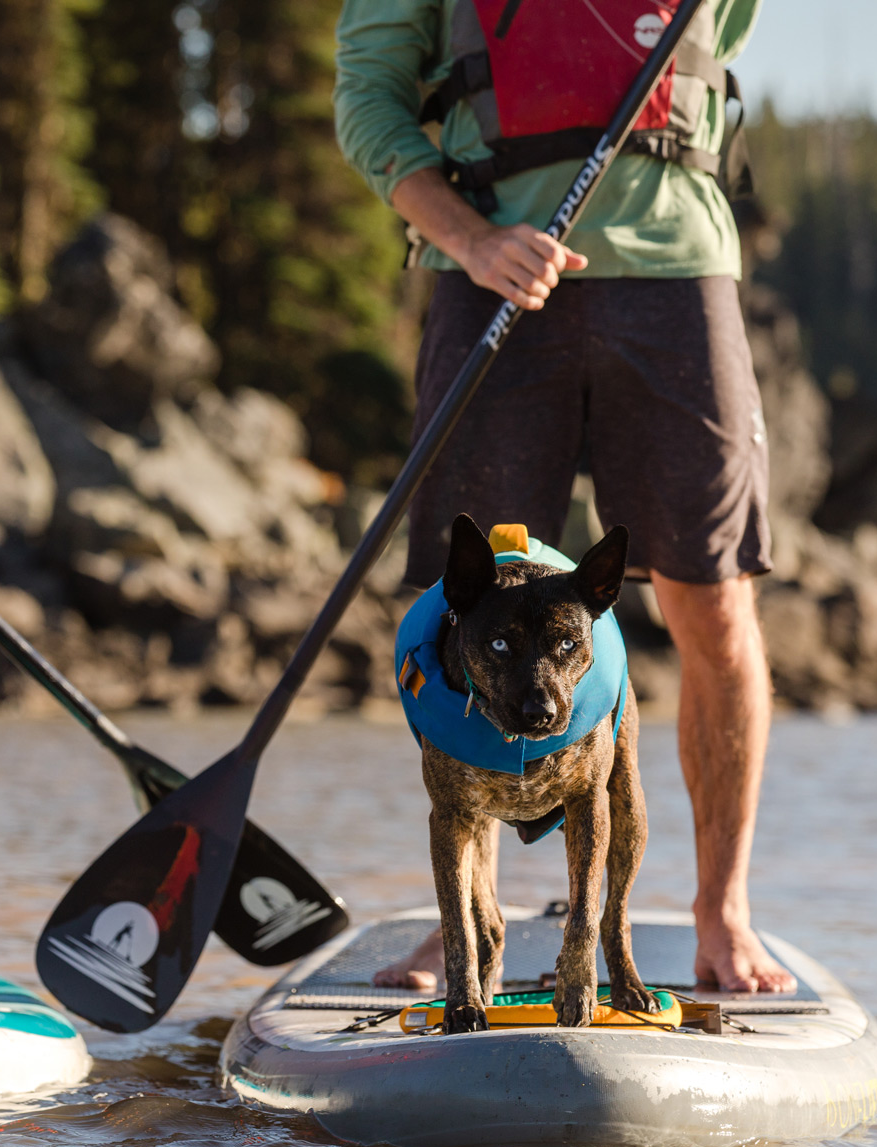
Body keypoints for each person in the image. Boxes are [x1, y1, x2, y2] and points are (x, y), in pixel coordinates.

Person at [334, 0, 794, 992]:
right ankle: (473, 920)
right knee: (473, 599)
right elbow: (367, 102)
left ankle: (723, 912)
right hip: (491, 268)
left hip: (678, 272)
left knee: (713, 602)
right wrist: (467, 237)